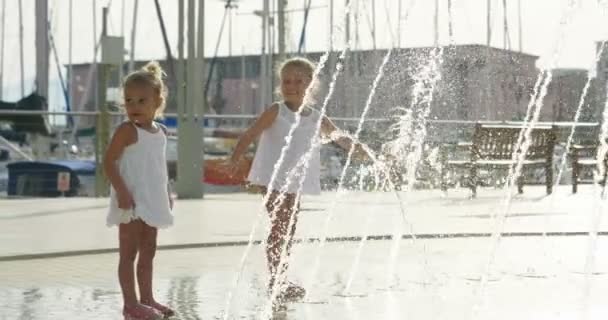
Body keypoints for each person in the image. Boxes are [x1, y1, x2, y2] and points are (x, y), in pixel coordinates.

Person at [228, 57, 370, 309]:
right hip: (271, 178)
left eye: (298, 81)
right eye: (286, 81)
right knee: (279, 226)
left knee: (289, 229)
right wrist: (236, 158)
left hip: (294, 181)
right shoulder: (276, 110)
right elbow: (250, 134)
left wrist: (360, 151)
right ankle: (276, 280)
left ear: (310, 84)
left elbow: (339, 137)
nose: (291, 86)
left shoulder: (316, 116)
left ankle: (281, 278)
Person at [104, 61, 175, 320]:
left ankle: (147, 298)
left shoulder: (161, 132)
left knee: (149, 250)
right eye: (129, 100)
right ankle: (130, 304)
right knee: (128, 252)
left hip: (151, 199)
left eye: (141, 100)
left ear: (158, 100)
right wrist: (121, 191)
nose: (134, 106)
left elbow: (159, 168)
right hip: (130, 200)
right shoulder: (126, 130)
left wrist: (167, 192)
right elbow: (108, 162)